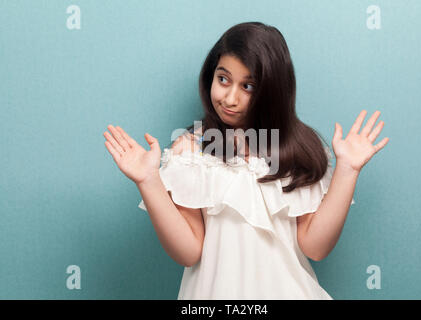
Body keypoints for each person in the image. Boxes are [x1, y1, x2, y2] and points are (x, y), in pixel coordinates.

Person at [103, 22, 389, 300]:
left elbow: (315, 247)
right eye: (223, 79)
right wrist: (149, 181)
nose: (230, 98)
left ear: (272, 90)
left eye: (248, 86)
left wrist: (348, 171)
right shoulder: (190, 150)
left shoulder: (298, 150)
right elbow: (188, 252)